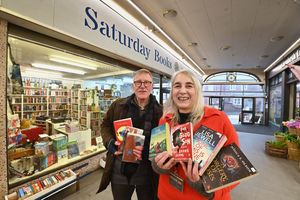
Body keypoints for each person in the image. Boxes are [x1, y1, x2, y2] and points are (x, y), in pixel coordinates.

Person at [152, 70, 240, 200]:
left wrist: (205, 188)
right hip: (168, 194)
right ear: (172, 92)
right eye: (177, 86)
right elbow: (155, 156)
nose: (182, 91)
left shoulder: (219, 119)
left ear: (197, 91)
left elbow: (236, 169)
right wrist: (158, 166)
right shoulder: (165, 120)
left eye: (189, 85)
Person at [97, 69, 163, 200]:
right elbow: (105, 125)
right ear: (133, 85)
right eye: (138, 82)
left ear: (152, 86)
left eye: (147, 82)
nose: (142, 85)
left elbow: (162, 143)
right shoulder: (118, 105)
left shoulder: (161, 112)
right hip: (119, 172)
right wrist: (110, 142)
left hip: (148, 174)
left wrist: (149, 151)